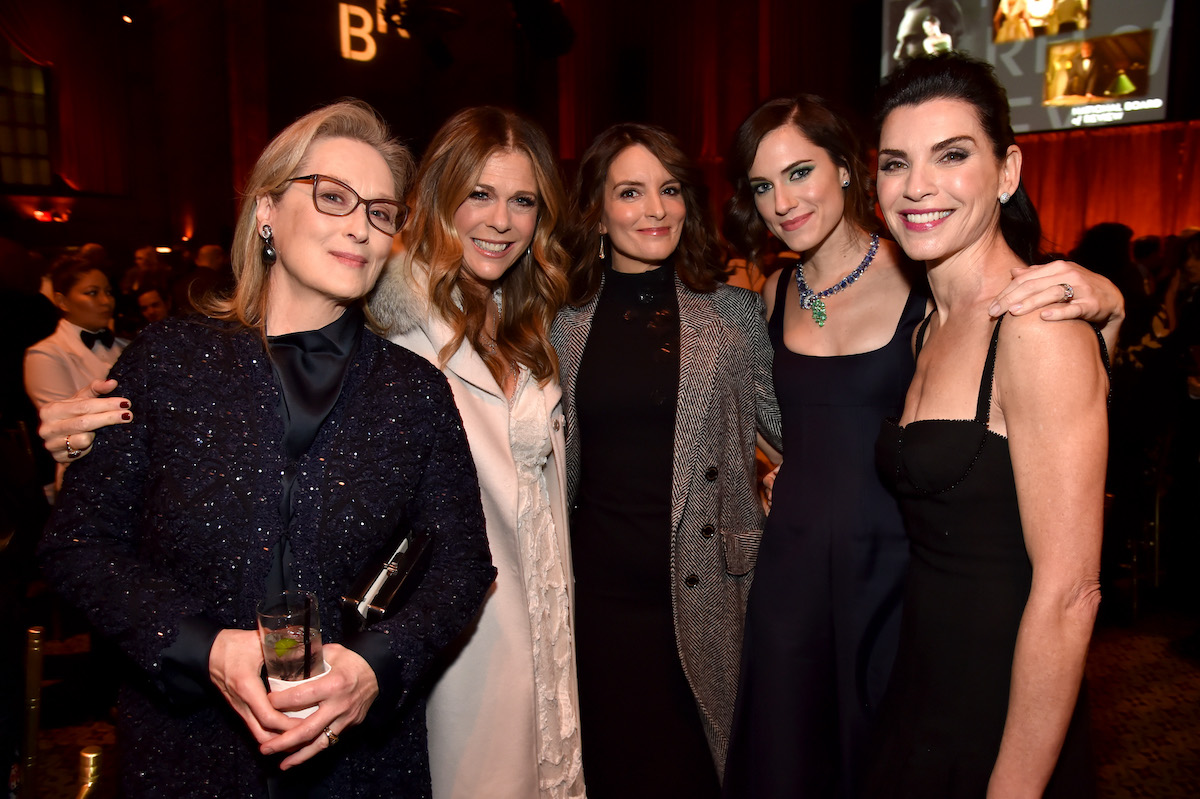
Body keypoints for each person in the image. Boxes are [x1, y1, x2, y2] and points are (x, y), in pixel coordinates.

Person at [37, 99, 495, 798]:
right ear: (266, 212)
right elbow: (80, 545)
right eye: (333, 196)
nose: (360, 226)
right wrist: (207, 649)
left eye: (379, 210)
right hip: (186, 753)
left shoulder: (414, 391)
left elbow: (463, 565)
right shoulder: (168, 363)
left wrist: (376, 666)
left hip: (361, 766)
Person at [719, 94, 1122, 799]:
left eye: (800, 172)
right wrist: (769, 474)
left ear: (848, 172)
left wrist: (1110, 306)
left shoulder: (920, 286)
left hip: (898, 579)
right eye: (762, 185)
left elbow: (1050, 408)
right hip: (795, 576)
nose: (782, 200)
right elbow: (767, 419)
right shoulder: (775, 293)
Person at [866, 52, 1107, 796]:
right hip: (921, 687)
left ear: (1008, 172)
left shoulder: (1034, 327)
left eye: (953, 155)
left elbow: (1070, 595)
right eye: (895, 163)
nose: (918, 186)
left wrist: (1015, 787)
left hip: (1006, 713)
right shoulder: (926, 326)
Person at [551, 123, 782, 797]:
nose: (655, 209)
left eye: (670, 189)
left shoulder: (734, 314)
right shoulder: (561, 320)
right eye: (630, 191)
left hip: (708, 590)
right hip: (596, 605)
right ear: (595, 207)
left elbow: (797, 430)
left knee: (695, 773)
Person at [369, 106, 584, 799]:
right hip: (460, 634)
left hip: (546, 611)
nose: (501, 220)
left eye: (523, 201)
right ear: (438, 198)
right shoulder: (389, 325)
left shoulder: (527, 323)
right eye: (479, 195)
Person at [24, 255, 126, 412]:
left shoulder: (127, 346)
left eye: (108, 292)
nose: (106, 301)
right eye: (92, 293)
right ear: (62, 302)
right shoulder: (45, 355)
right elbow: (66, 421)